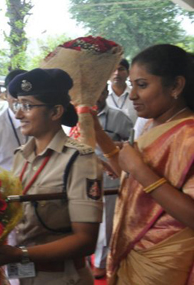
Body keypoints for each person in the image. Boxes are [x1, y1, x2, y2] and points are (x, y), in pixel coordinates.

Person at [0, 68, 103, 285]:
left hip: (61, 278)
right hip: (23, 275)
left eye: (28, 106)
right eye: (17, 105)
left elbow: (85, 241)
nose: (18, 114)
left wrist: (20, 255)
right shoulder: (21, 157)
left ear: (55, 112)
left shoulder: (79, 160)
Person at [93, 44, 194, 285]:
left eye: (142, 85)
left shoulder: (189, 135)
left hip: (165, 260)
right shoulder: (151, 125)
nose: (133, 95)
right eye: (132, 85)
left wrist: (139, 168)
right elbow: (135, 185)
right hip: (133, 248)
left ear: (176, 86)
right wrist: (93, 125)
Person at [92, 86, 133, 279]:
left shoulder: (119, 117)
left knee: (107, 223)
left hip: (110, 178)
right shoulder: (74, 117)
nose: (94, 97)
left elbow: (131, 145)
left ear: (105, 94)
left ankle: (101, 263)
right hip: (83, 176)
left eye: (98, 92)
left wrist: (114, 147)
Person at [107, 59, 138, 124]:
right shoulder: (101, 96)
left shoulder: (136, 95)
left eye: (121, 69)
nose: (117, 73)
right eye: (113, 70)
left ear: (128, 73)